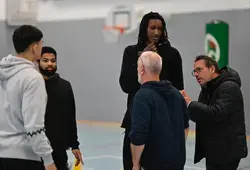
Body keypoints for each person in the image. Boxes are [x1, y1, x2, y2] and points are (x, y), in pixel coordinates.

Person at [119, 11, 185, 170]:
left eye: (160, 29)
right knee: (131, 163)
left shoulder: (172, 54)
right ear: (144, 29)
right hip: (138, 115)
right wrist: (141, 57)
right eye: (152, 28)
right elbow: (125, 85)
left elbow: (178, 88)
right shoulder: (131, 52)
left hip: (164, 121)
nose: (156, 32)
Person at [0, 25, 57, 170]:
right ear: (34, 47)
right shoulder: (32, 78)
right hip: (24, 159)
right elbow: (33, 126)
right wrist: (49, 160)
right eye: (41, 44)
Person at [181, 55, 248, 170]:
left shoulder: (229, 87)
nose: (196, 74)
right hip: (214, 149)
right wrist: (187, 107)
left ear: (212, 69)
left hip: (227, 151)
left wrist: (190, 104)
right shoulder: (207, 89)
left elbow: (216, 113)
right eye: (194, 71)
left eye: (199, 70)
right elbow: (201, 116)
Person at [129, 51, 189, 170]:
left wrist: (135, 164)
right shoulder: (176, 94)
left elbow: (138, 135)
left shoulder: (142, 96)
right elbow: (185, 127)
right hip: (177, 162)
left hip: (154, 163)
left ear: (142, 69)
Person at [38, 46, 83, 170]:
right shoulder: (32, 85)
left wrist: (74, 145)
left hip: (58, 149)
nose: (50, 64)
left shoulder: (65, 86)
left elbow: (70, 116)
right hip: (35, 150)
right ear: (38, 61)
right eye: (45, 60)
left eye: (53, 60)